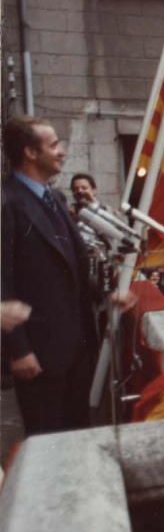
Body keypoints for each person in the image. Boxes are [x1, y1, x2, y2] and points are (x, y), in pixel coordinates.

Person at [1, 116, 99, 435]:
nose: (62, 152)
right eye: (54, 144)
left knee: (79, 436)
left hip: (77, 350)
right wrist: (19, 350)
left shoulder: (55, 198)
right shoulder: (7, 203)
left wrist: (106, 296)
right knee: (47, 445)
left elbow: (73, 264)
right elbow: (3, 279)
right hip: (39, 357)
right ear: (30, 152)